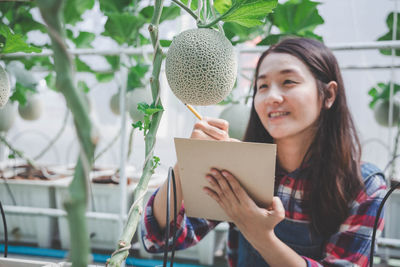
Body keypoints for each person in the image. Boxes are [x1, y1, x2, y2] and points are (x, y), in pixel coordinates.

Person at [140, 37, 387, 267]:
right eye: (262, 86)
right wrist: (188, 161)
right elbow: (158, 239)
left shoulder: (365, 186)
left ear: (329, 94)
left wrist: (259, 235)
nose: (272, 97)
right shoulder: (238, 166)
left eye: (288, 82)